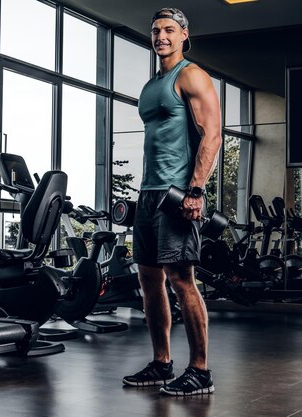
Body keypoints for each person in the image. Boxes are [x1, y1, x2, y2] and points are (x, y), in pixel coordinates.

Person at [122, 8, 222, 396]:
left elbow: (212, 135)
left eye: (169, 30)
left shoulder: (191, 75)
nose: (160, 36)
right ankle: (162, 363)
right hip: (149, 193)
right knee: (149, 280)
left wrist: (196, 190)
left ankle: (200, 371)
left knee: (182, 280)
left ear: (184, 35)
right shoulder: (153, 85)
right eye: (155, 30)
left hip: (178, 194)